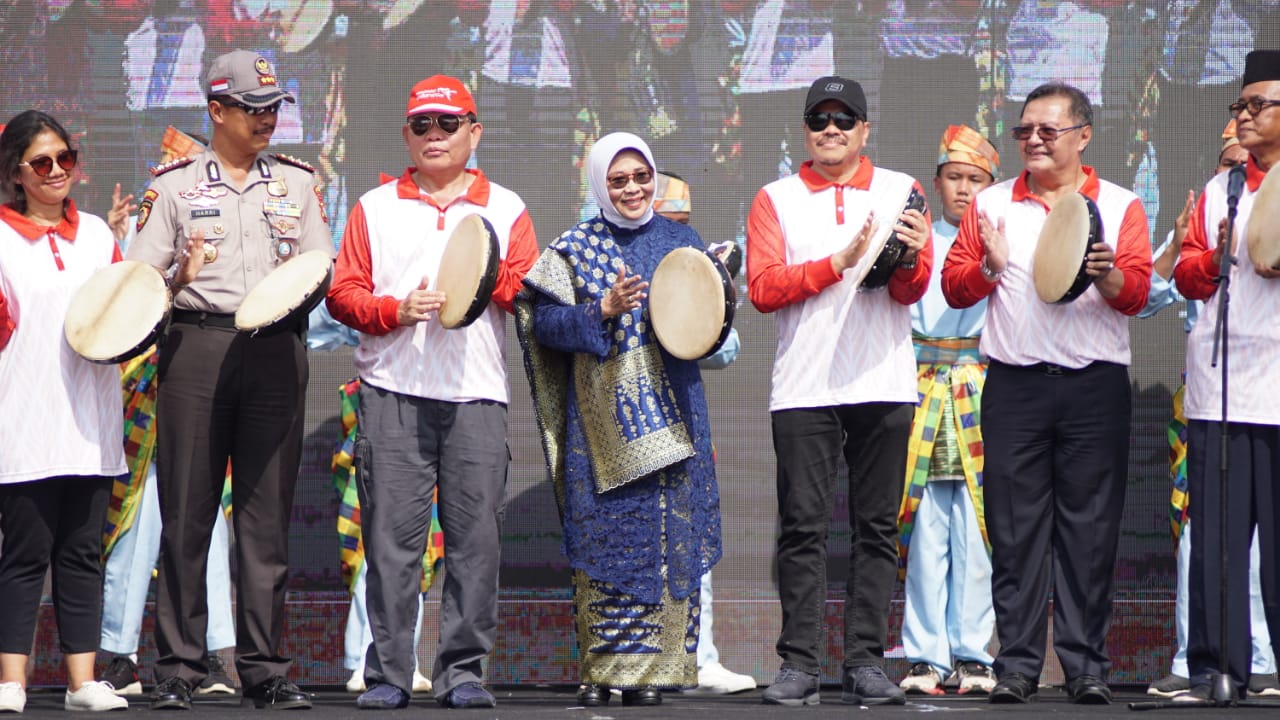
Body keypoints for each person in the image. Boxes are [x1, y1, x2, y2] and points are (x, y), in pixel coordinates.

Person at [126, 49, 332, 711]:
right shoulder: (177, 185)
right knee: (187, 511)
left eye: (273, 108)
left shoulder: (297, 184)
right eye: (251, 108)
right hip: (197, 345)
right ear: (216, 109)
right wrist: (176, 276)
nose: (266, 119)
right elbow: (137, 283)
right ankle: (181, 667)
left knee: (265, 518)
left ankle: (265, 667)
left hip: (276, 347)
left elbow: (316, 267)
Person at [326, 74, 537, 710]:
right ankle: (390, 672)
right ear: (406, 135)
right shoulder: (373, 206)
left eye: (449, 124)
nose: (436, 135)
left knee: (476, 543)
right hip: (392, 392)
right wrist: (396, 309)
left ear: (474, 131)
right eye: (423, 125)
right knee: (392, 542)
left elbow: (527, 292)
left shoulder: (506, 206)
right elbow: (343, 294)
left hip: (475, 395)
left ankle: (463, 672)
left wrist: (480, 280)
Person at [941, 81, 1152, 705]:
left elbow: (1137, 294)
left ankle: (1086, 666)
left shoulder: (1119, 204)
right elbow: (954, 288)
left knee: (1089, 533)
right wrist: (989, 265)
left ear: (1082, 136)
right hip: (1015, 387)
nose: (1032, 140)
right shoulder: (992, 204)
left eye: (1047, 131)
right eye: (1024, 131)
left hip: (1094, 387)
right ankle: (1018, 666)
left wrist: (1107, 274)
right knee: (1014, 531)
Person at [515, 132, 722, 708]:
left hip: (676, 417)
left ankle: (657, 674)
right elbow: (543, 327)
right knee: (608, 538)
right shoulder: (574, 249)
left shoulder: (682, 241)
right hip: (602, 429)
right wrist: (600, 310)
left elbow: (708, 319)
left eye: (641, 177)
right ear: (599, 184)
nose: (633, 188)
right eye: (618, 179)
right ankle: (606, 671)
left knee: (668, 536)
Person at [747, 75, 932, 707]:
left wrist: (907, 260)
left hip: (882, 378)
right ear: (806, 130)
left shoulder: (901, 189)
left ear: (864, 129)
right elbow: (764, 288)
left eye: (843, 119)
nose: (832, 130)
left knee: (875, 528)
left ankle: (864, 662)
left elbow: (912, 289)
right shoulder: (775, 197)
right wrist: (840, 261)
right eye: (820, 120)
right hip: (804, 385)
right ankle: (799, 663)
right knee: (803, 528)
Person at [1143, 119, 1280, 699]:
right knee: (1217, 539)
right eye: (1241, 106)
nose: (1247, 117)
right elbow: (1187, 279)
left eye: (1261, 105)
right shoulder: (1218, 194)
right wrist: (1216, 254)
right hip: (1223, 386)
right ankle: (1213, 665)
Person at [99, 127, 236, 701]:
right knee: (135, 527)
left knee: (209, 527)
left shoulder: (234, 234)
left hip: (203, 386)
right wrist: (115, 240)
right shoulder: (136, 235)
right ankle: (118, 655)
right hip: (143, 400)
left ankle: (218, 657)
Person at [0, 109, 130, 713]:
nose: (57, 172)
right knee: (24, 555)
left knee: (81, 554)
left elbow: (122, 315)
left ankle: (82, 683)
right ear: (16, 173)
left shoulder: (101, 235)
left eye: (65, 159)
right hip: (23, 421)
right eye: (42, 163)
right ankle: (12, 681)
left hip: (90, 422)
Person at [896, 125, 999, 697]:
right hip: (922, 386)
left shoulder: (1002, 237)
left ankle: (973, 652)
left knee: (978, 527)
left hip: (983, 387)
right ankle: (926, 655)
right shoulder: (920, 240)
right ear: (936, 183)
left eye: (976, 180)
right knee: (924, 523)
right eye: (954, 178)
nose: (963, 189)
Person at [652, 170, 755, 696]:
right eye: (668, 221)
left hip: (684, 426)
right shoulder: (608, 259)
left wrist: (709, 307)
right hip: (623, 430)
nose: (676, 231)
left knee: (693, 541)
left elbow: (729, 348)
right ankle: (639, 660)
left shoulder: (695, 268)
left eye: (683, 223)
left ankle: (699, 656)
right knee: (632, 547)